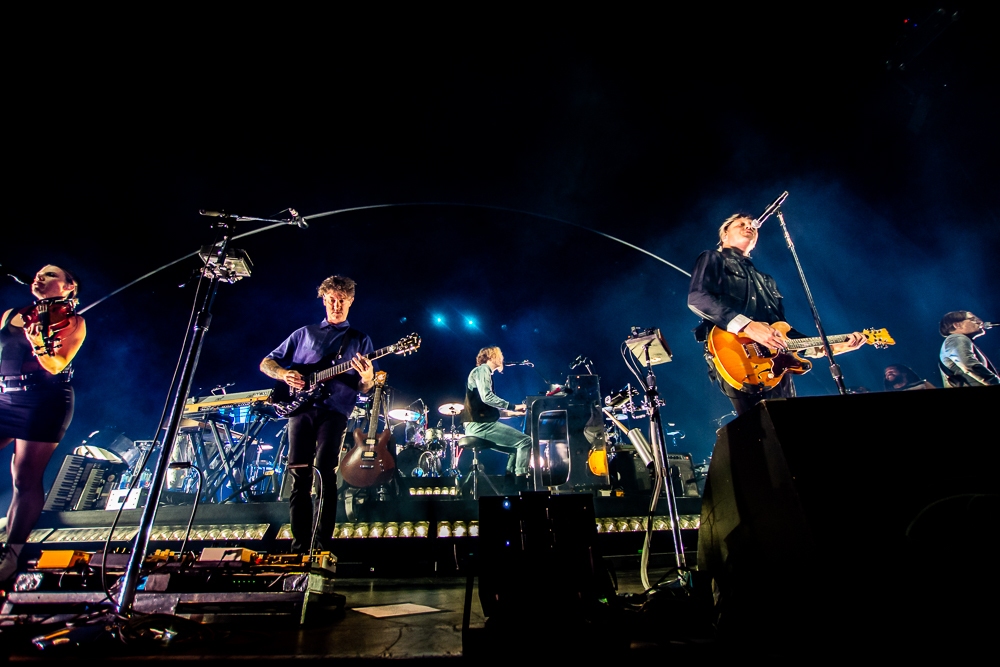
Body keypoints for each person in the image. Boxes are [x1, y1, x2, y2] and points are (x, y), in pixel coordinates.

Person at [687, 213, 866, 416]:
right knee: (761, 430)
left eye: (751, 226)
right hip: (735, 353)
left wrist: (830, 346)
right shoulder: (713, 257)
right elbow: (698, 298)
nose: (749, 226)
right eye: (741, 224)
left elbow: (784, 332)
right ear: (725, 234)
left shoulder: (767, 280)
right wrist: (747, 326)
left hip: (777, 365)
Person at [259, 275, 375, 553]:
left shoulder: (360, 340)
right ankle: (299, 547)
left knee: (325, 475)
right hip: (300, 411)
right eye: (332, 300)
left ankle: (321, 545)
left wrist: (368, 377)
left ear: (351, 302)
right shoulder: (304, 334)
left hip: (334, 412)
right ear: (324, 300)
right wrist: (284, 373)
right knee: (299, 477)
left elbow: (365, 389)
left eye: (342, 301)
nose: (337, 306)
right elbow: (266, 362)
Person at [1, 265, 86, 583]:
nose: (40, 277)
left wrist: (38, 343)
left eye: (51, 275)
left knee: (24, 478)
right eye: (38, 274)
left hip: (44, 399)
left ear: (68, 286)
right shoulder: (12, 313)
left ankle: (11, 558)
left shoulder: (74, 322)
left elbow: (56, 364)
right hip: (5, 397)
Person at [462, 346, 532, 489]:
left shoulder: (485, 374)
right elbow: (487, 397)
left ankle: (510, 484)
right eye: (500, 355)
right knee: (525, 441)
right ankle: (522, 485)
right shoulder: (482, 370)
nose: (502, 359)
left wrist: (518, 413)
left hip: (479, 424)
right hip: (479, 425)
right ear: (491, 356)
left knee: (516, 449)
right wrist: (513, 406)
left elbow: (491, 411)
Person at [938, 311, 998, 387]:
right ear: (957, 325)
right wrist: (994, 381)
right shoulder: (956, 338)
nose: (980, 322)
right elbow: (968, 363)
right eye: (973, 319)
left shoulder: (956, 340)